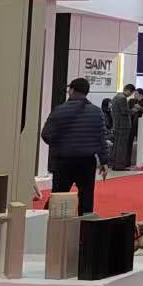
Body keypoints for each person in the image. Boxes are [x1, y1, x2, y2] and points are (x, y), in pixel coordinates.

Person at [40, 78, 110, 216]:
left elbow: (46, 134)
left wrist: (58, 146)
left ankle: (51, 224)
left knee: (59, 196)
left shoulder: (60, 110)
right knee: (86, 197)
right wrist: (104, 161)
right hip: (87, 161)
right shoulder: (96, 112)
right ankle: (85, 226)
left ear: (71, 90)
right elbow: (101, 139)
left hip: (64, 160)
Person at [108, 83, 136, 171]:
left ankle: (114, 164)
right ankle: (120, 165)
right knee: (122, 147)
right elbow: (124, 111)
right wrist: (133, 110)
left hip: (117, 125)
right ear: (128, 90)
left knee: (116, 146)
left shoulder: (116, 97)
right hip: (123, 126)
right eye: (131, 93)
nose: (130, 95)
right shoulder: (122, 98)